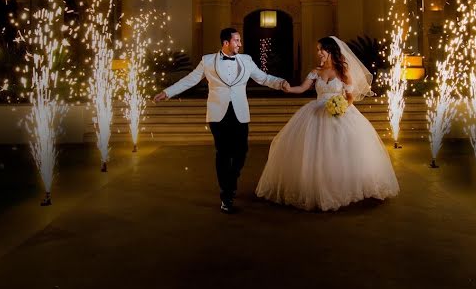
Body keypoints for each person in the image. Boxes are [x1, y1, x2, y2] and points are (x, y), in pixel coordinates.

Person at [256, 36, 399, 211]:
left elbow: (350, 98)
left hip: (339, 112)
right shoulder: (315, 71)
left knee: (340, 151)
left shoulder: (342, 71)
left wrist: (341, 107)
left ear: (330, 51)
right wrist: (288, 88)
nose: (318, 53)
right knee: (314, 152)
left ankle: (341, 187)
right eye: (318, 50)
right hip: (315, 112)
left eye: (320, 49)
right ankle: (316, 189)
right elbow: (301, 88)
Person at [154, 28, 287, 213]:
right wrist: (167, 92)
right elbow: (190, 80)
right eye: (237, 41)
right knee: (223, 153)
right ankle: (226, 195)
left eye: (239, 41)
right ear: (226, 42)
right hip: (218, 114)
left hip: (240, 113)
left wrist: (281, 83)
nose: (240, 44)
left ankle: (230, 181)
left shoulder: (246, 60)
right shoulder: (208, 61)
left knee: (241, 152)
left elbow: (263, 78)